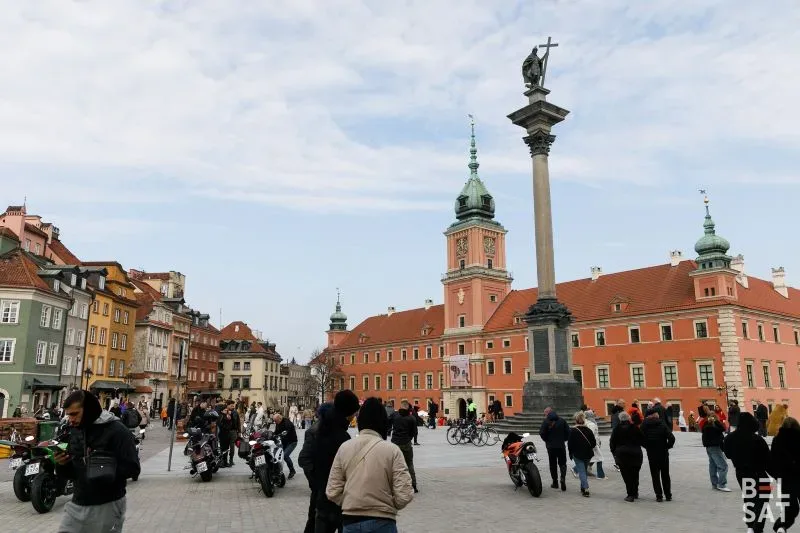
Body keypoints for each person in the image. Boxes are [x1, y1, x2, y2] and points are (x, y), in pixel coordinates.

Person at [54, 389, 140, 533]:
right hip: (77, 504)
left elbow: (133, 467)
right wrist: (62, 464)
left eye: (74, 414)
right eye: (68, 415)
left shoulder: (117, 430)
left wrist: (103, 470)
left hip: (107, 504)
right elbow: (72, 473)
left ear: (88, 410)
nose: (71, 419)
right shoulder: (75, 430)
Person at [326, 398, 413, 533]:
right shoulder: (392, 450)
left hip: (351, 521)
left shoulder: (344, 448)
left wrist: (351, 502)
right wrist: (387, 505)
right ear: (383, 422)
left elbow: (332, 491)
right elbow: (404, 494)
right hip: (383, 522)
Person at [313, 390, 361, 533]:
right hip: (338, 500)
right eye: (354, 412)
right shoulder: (342, 437)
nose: (355, 415)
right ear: (347, 412)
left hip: (322, 497)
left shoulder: (323, 429)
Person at [724, 413, 771, 533]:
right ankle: (757, 528)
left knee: (749, 499)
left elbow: (728, 454)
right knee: (762, 501)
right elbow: (768, 460)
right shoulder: (757, 439)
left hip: (741, 474)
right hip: (760, 475)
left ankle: (750, 526)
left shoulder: (729, 438)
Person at [299, 403, 333, 533]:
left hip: (331, 487)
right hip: (321, 487)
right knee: (315, 521)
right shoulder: (314, 432)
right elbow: (304, 458)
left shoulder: (336, 431)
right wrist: (315, 481)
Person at [768, 417, 800, 533]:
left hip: (785, 480)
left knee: (790, 507)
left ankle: (781, 526)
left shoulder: (777, 440)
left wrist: (777, 476)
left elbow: (771, 461)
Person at [641, 408, 675, 502]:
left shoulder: (644, 425)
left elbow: (640, 438)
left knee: (655, 475)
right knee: (665, 474)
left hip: (651, 453)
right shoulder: (662, 424)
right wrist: (667, 446)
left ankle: (659, 496)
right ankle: (668, 495)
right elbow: (672, 438)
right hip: (663, 452)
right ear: (654, 415)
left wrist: (647, 446)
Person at [609, 411, 645, 502]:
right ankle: (635, 492)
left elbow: (612, 443)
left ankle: (630, 494)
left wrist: (614, 453)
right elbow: (642, 439)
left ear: (620, 419)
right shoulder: (635, 428)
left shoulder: (616, 429)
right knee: (635, 475)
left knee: (626, 476)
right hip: (636, 454)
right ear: (629, 418)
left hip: (622, 456)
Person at [391, 400, 419, 494]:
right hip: (406, 443)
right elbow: (414, 432)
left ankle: (394, 485)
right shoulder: (411, 418)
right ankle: (413, 485)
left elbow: (388, 423)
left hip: (395, 443)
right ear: (408, 407)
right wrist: (408, 438)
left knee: (394, 465)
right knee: (409, 463)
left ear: (401, 406)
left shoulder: (395, 415)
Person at [539, 409, 570, 491]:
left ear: (548, 413)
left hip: (551, 447)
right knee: (563, 463)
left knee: (553, 464)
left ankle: (555, 482)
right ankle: (562, 479)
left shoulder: (546, 421)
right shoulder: (562, 421)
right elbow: (568, 432)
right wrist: (563, 439)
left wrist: (547, 440)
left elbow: (542, 433)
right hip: (561, 446)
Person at [568, 411, 596, 497]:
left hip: (577, 454)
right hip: (588, 454)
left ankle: (586, 489)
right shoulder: (589, 430)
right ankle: (583, 487)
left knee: (582, 471)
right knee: (583, 470)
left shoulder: (572, 431)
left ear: (576, 420)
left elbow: (570, 444)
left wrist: (571, 453)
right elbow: (593, 443)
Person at [702, 413, 731, 492]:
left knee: (713, 466)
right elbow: (723, 428)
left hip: (709, 447)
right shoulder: (713, 426)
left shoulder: (706, 425)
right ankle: (721, 484)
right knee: (723, 466)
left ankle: (714, 484)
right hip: (715, 447)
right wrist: (717, 421)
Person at [273, 413, 298, 479]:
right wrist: (272, 435)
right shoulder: (278, 423)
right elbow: (276, 432)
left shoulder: (287, 423)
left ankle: (292, 470)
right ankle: (276, 471)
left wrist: (282, 434)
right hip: (284, 442)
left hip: (292, 442)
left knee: (285, 455)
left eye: (275, 420)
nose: (275, 422)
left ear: (279, 418)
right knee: (276, 454)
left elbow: (287, 432)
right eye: (274, 421)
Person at [583, 410, 606, 479]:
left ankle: (578, 470)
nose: (594, 414)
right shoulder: (591, 424)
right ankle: (600, 475)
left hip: (591, 443)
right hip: (593, 444)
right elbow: (591, 434)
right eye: (593, 413)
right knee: (599, 458)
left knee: (590, 458)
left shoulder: (587, 422)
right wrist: (595, 443)